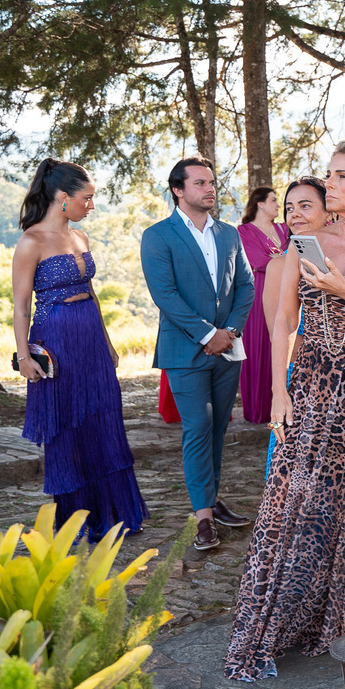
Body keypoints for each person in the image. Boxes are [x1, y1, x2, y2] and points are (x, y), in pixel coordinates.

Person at [224, 141, 345, 681]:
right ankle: (276, 622)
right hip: (312, 380)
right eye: (328, 177)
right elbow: (282, 321)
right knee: (296, 502)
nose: (329, 185)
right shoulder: (303, 244)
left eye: (340, 177)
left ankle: (343, 619)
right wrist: (278, 391)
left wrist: (344, 289)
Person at [12, 158, 149, 542]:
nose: (91, 205)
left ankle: (116, 512)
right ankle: (78, 520)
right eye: (86, 198)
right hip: (56, 339)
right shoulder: (31, 241)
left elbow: (91, 293)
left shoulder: (80, 237)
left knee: (103, 420)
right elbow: (21, 306)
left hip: (90, 336)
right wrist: (24, 357)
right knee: (67, 426)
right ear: (62, 197)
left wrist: (107, 343)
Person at [141, 155, 255, 551]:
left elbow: (246, 286)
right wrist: (207, 334)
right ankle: (203, 517)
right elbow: (165, 296)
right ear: (178, 189)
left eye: (212, 183)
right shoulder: (157, 235)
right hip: (183, 350)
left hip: (228, 346)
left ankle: (212, 498)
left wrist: (230, 332)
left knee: (219, 428)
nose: (210, 189)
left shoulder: (228, 234)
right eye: (200, 183)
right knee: (197, 429)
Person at [263, 176, 329, 478]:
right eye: (289, 208)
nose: (294, 215)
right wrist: (283, 390)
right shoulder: (279, 265)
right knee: (292, 471)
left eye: (305, 205)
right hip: (301, 378)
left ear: (330, 210)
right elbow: (280, 329)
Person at [236, 187, 290, 424]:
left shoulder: (284, 229)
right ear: (259, 203)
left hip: (287, 289)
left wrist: (281, 261)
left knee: (284, 340)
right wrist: (285, 261)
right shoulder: (244, 231)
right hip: (259, 292)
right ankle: (259, 408)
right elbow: (257, 261)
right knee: (260, 344)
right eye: (273, 200)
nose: (278, 205)